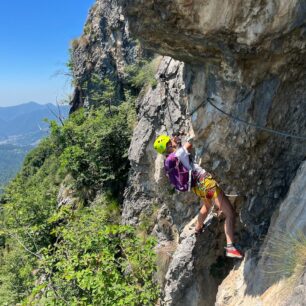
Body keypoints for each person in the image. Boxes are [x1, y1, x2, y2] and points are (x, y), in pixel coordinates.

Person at [153, 134, 243, 259]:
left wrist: (175, 144)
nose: (172, 140)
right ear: (168, 145)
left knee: (207, 205)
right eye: (170, 141)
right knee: (230, 213)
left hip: (198, 188)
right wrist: (178, 142)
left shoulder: (170, 160)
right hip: (207, 185)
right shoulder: (179, 153)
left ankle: (198, 227)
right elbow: (191, 143)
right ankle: (230, 247)